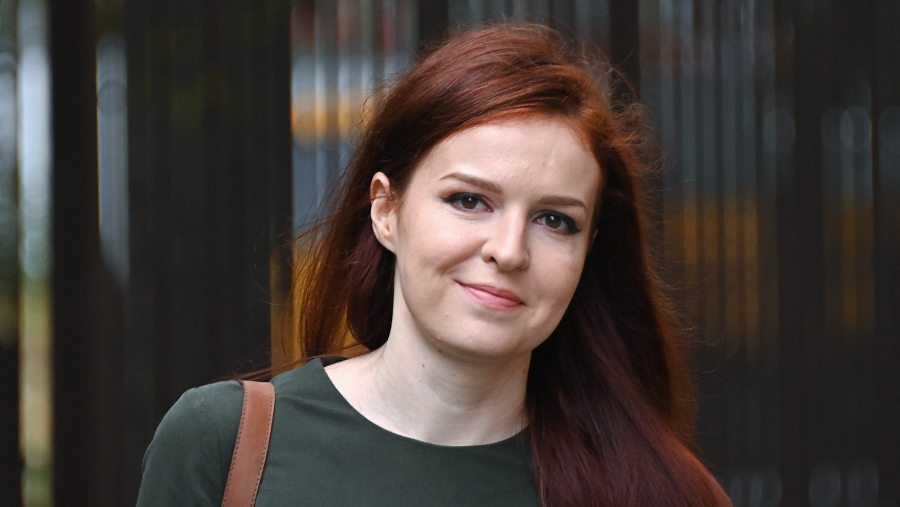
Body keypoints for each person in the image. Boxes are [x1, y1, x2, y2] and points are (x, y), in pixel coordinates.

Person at [137, 23, 734, 507]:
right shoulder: (225, 447)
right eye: (469, 200)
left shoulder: (659, 491)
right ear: (386, 210)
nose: (509, 250)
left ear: (589, 249)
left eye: (555, 219)